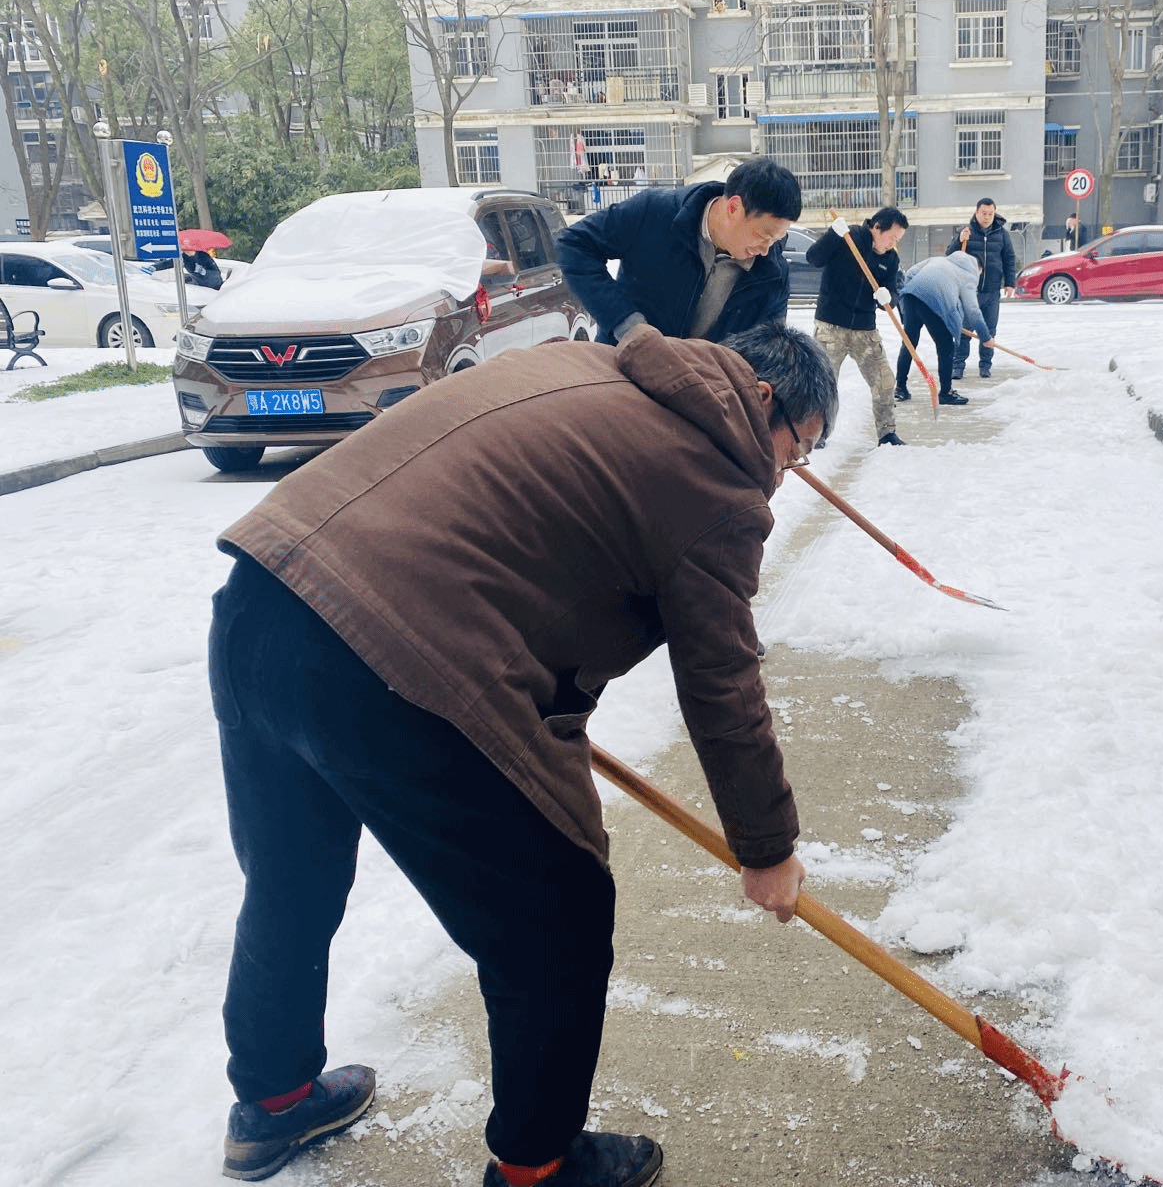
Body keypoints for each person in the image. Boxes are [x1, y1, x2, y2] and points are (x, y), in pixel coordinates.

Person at [209, 319, 838, 1186]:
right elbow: (722, 683)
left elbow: (515, 529)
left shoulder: (586, 363)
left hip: (264, 594)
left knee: (291, 876)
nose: (783, 474)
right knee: (556, 913)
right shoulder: (717, 482)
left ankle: (273, 1098)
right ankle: (538, 1167)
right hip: (392, 657)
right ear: (761, 397)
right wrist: (767, 847)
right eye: (796, 448)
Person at [555, 157, 799, 345]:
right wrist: (626, 323)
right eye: (762, 236)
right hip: (623, 373)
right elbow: (573, 244)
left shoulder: (772, 273)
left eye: (776, 239)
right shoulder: (655, 213)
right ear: (734, 208)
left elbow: (768, 348)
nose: (765, 250)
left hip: (705, 389)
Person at [806, 207, 909, 446]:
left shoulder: (891, 259)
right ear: (876, 227)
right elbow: (813, 258)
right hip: (831, 325)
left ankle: (887, 433)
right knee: (823, 382)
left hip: (865, 329)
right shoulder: (848, 238)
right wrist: (832, 235)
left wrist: (888, 298)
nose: (893, 243)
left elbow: (893, 291)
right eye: (892, 237)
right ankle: (817, 433)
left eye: (898, 239)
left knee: (884, 380)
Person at [893, 251, 987, 408]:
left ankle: (900, 388)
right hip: (933, 300)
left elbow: (910, 274)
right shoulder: (970, 273)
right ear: (979, 268)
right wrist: (985, 336)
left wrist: (907, 306)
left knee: (909, 344)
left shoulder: (937, 260)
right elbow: (972, 309)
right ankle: (946, 393)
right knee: (946, 346)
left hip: (910, 296)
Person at [945, 198, 1016, 380]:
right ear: (976, 213)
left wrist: (1010, 282)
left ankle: (985, 366)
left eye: (990, 213)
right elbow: (950, 254)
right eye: (983, 213)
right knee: (964, 330)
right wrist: (959, 240)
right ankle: (958, 366)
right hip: (969, 291)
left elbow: (1009, 258)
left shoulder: (1002, 234)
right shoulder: (966, 231)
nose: (987, 217)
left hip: (992, 291)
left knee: (989, 331)